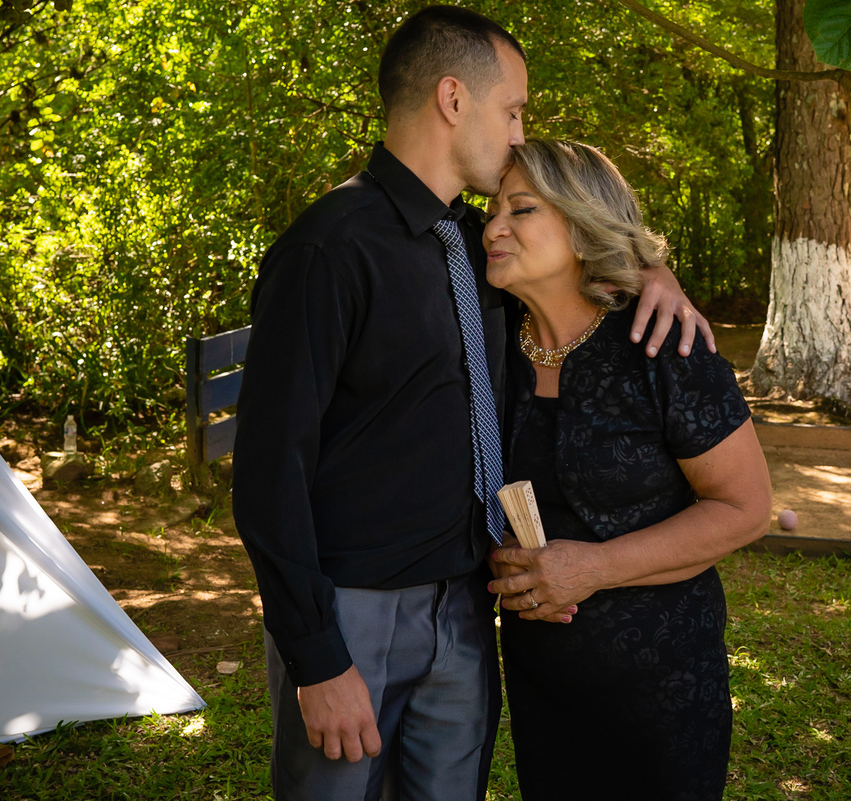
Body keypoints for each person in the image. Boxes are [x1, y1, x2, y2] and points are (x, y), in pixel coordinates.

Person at [232, 7, 712, 801]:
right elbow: (268, 470)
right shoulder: (329, 249)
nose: (522, 133)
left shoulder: (481, 246)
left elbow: (578, 256)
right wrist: (317, 655)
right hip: (354, 610)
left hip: (464, 608)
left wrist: (650, 272)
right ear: (454, 99)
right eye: (513, 108)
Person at [484, 139, 772, 801]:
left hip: (661, 688)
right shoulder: (490, 343)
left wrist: (594, 567)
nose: (494, 225)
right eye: (491, 209)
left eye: (520, 209)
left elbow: (746, 507)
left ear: (583, 226)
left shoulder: (662, 343)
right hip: (540, 684)